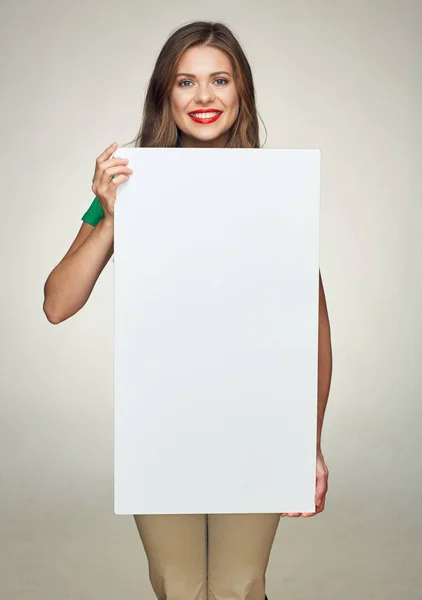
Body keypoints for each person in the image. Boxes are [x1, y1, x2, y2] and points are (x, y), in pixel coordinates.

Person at [43, 20, 332, 600]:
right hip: (161, 420)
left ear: (241, 90)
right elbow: (57, 304)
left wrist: (309, 442)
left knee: (238, 587)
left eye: (219, 80)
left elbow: (314, 327)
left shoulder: (276, 186)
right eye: (186, 82)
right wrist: (110, 214)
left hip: (256, 418)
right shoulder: (126, 184)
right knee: (177, 585)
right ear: (164, 95)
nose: (204, 97)